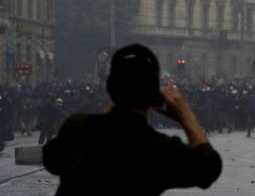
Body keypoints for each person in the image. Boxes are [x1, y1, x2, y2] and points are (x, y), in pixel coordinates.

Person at [43, 44, 222, 196]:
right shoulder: (158, 148)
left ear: (111, 87)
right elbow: (209, 168)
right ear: (153, 94)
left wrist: (116, 100)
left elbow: (52, 161)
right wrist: (185, 113)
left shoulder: (77, 127)